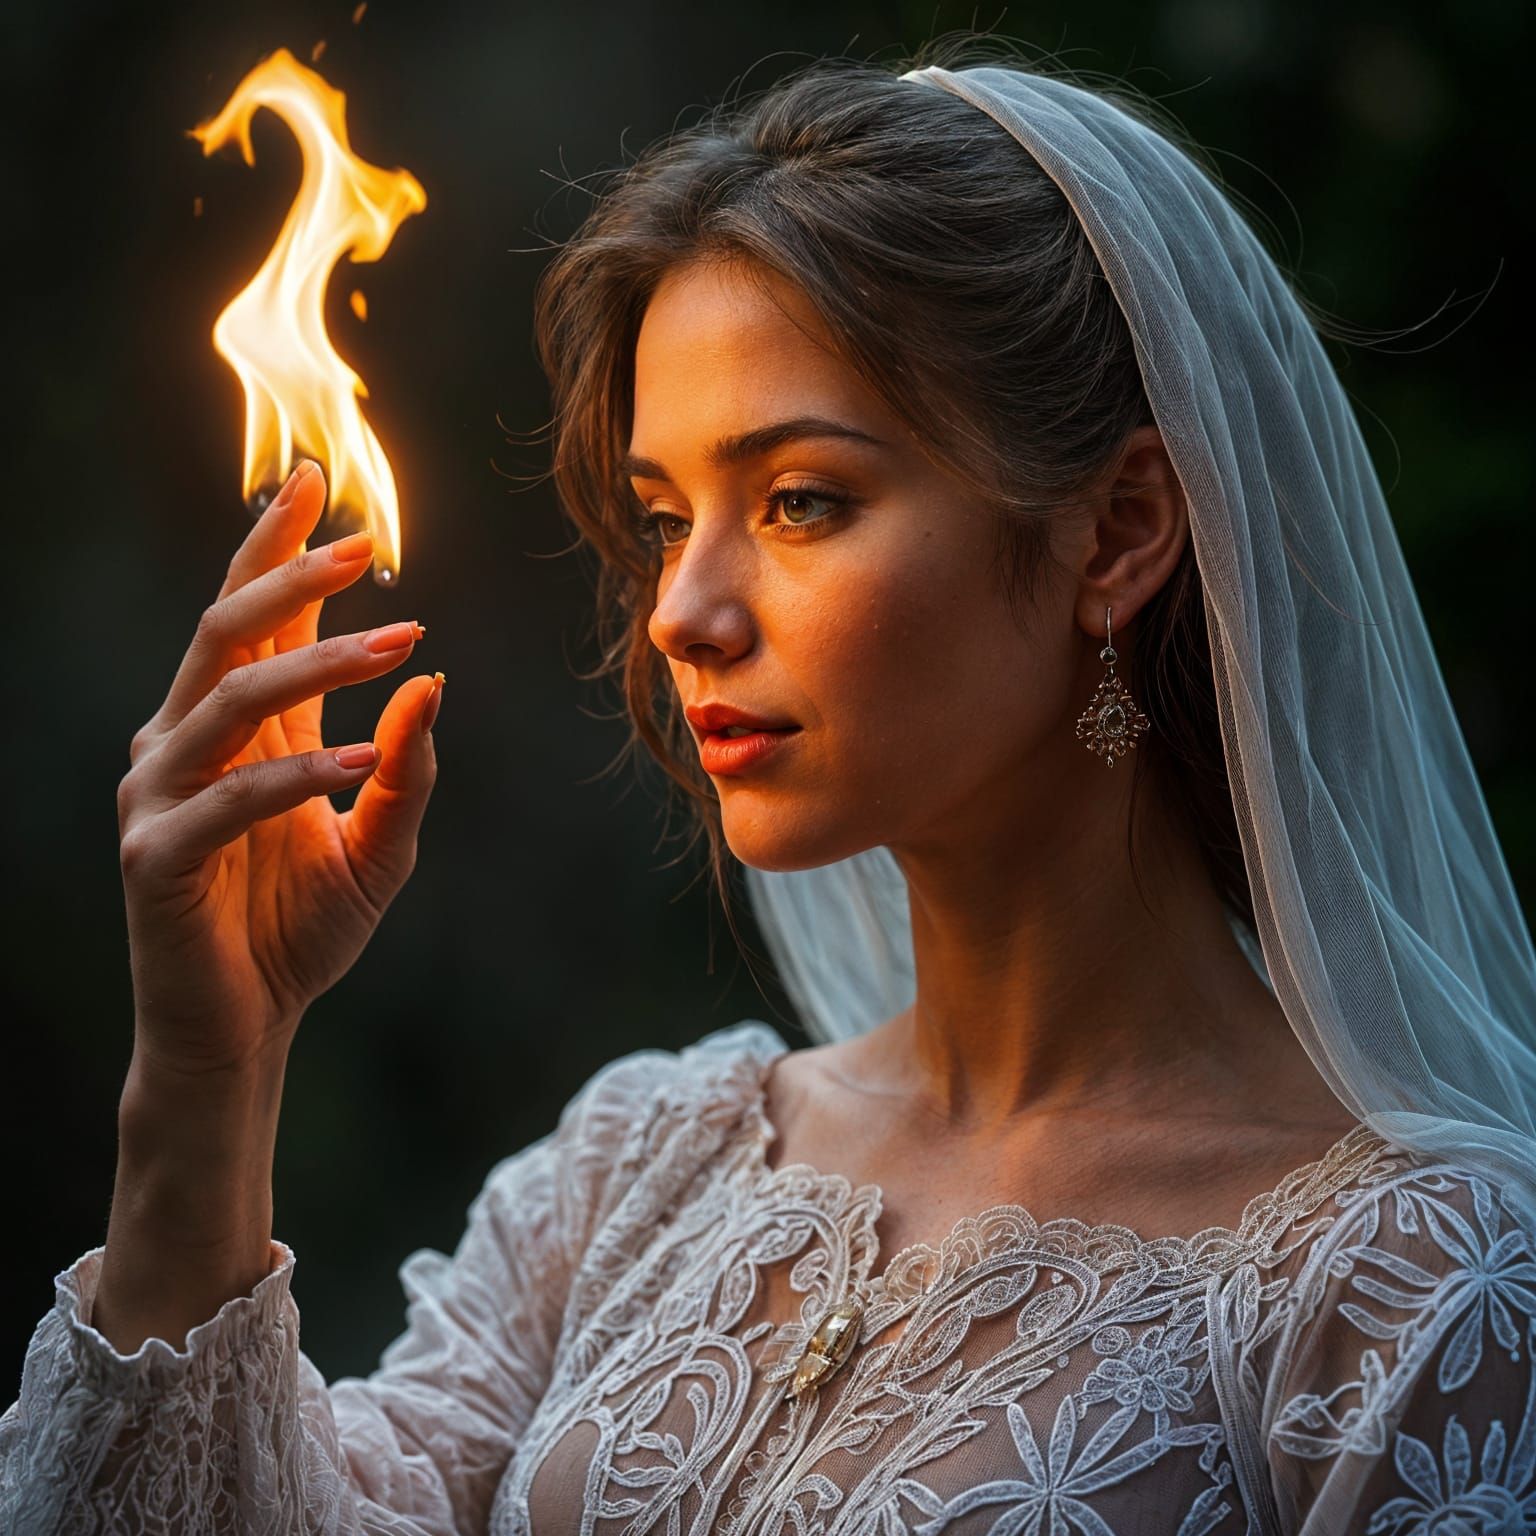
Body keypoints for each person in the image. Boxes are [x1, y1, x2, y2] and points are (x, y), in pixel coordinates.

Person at [5, 36, 1536, 1536]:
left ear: (1120, 528)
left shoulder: (1406, 1283)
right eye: (666, 519)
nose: (682, 612)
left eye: (800, 501)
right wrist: (210, 1071)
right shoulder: (642, 1174)